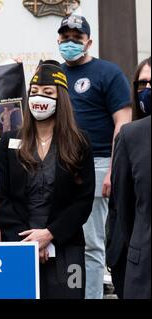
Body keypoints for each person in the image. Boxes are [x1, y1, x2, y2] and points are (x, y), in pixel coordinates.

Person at [0, 61, 95, 299]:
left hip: (66, 247)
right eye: (35, 92)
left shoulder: (79, 143)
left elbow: (83, 201)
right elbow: (1, 197)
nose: (40, 98)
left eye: (48, 93)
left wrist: (49, 234)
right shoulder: (9, 142)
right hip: (18, 246)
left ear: (61, 99)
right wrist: (30, 242)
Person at [57, 14, 132, 299]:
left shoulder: (108, 73)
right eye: (66, 38)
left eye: (77, 38)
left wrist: (115, 169)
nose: (71, 43)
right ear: (58, 40)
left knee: (91, 243)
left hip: (99, 164)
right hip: (61, 166)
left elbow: (122, 124)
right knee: (61, 238)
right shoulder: (57, 74)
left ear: (89, 41)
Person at [107, 56, 151, 299]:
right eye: (142, 84)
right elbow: (123, 207)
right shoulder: (130, 136)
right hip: (143, 266)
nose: (147, 91)